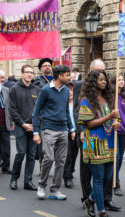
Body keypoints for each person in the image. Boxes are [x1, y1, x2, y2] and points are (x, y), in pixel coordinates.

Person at [76, 59, 121, 216]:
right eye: (101, 79)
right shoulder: (86, 101)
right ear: (93, 82)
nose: (104, 82)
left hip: (109, 142)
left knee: (108, 178)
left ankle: (90, 200)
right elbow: (89, 124)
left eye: (105, 79)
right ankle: (101, 210)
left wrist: (114, 124)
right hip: (95, 143)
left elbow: (112, 120)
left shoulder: (108, 99)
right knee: (99, 179)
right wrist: (109, 116)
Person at [33, 65, 75, 200]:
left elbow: (66, 111)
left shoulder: (65, 91)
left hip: (63, 130)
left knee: (61, 161)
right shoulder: (45, 90)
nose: (69, 77)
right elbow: (36, 112)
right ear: (60, 76)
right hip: (48, 128)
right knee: (49, 158)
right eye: (67, 75)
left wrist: (71, 128)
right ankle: (41, 185)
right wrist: (35, 132)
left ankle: (55, 189)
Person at [9, 64, 40, 191]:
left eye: (31, 72)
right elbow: (13, 110)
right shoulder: (14, 89)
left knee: (31, 155)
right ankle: (14, 179)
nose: (29, 74)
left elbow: (40, 109)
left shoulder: (37, 89)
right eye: (27, 72)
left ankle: (28, 181)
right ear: (21, 74)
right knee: (21, 153)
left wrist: (35, 125)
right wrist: (23, 124)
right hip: (20, 126)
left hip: (34, 127)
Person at [110, 74, 125, 196]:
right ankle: (116, 183)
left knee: (121, 158)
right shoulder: (110, 97)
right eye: (119, 80)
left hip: (124, 130)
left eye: (123, 79)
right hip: (114, 130)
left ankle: (113, 177)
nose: (121, 81)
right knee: (116, 158)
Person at [63, 81, 79, 189]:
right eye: (68, 90)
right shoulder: (62, 103)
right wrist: (70, 130)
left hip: (77, 132)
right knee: (67, 156)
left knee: (74, 155)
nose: (71, 92)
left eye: (72, 90)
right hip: (66, 132)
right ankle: (67, 177)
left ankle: (71, 170)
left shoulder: (77, 104)